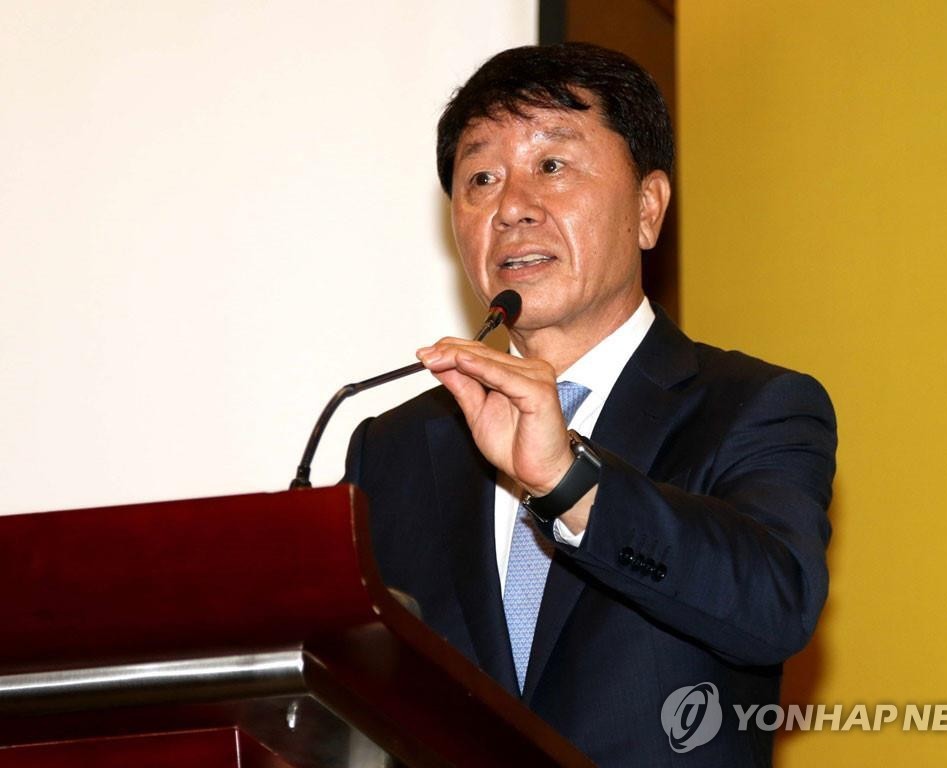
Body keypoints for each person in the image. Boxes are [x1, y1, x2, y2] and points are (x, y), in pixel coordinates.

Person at [344, 42, 837, 767]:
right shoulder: (393, 448)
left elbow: (773, 608)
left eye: (551, 165)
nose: (511, 207)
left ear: (647, 208)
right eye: (481, 178)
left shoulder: (752, 407)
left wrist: (568, 482)